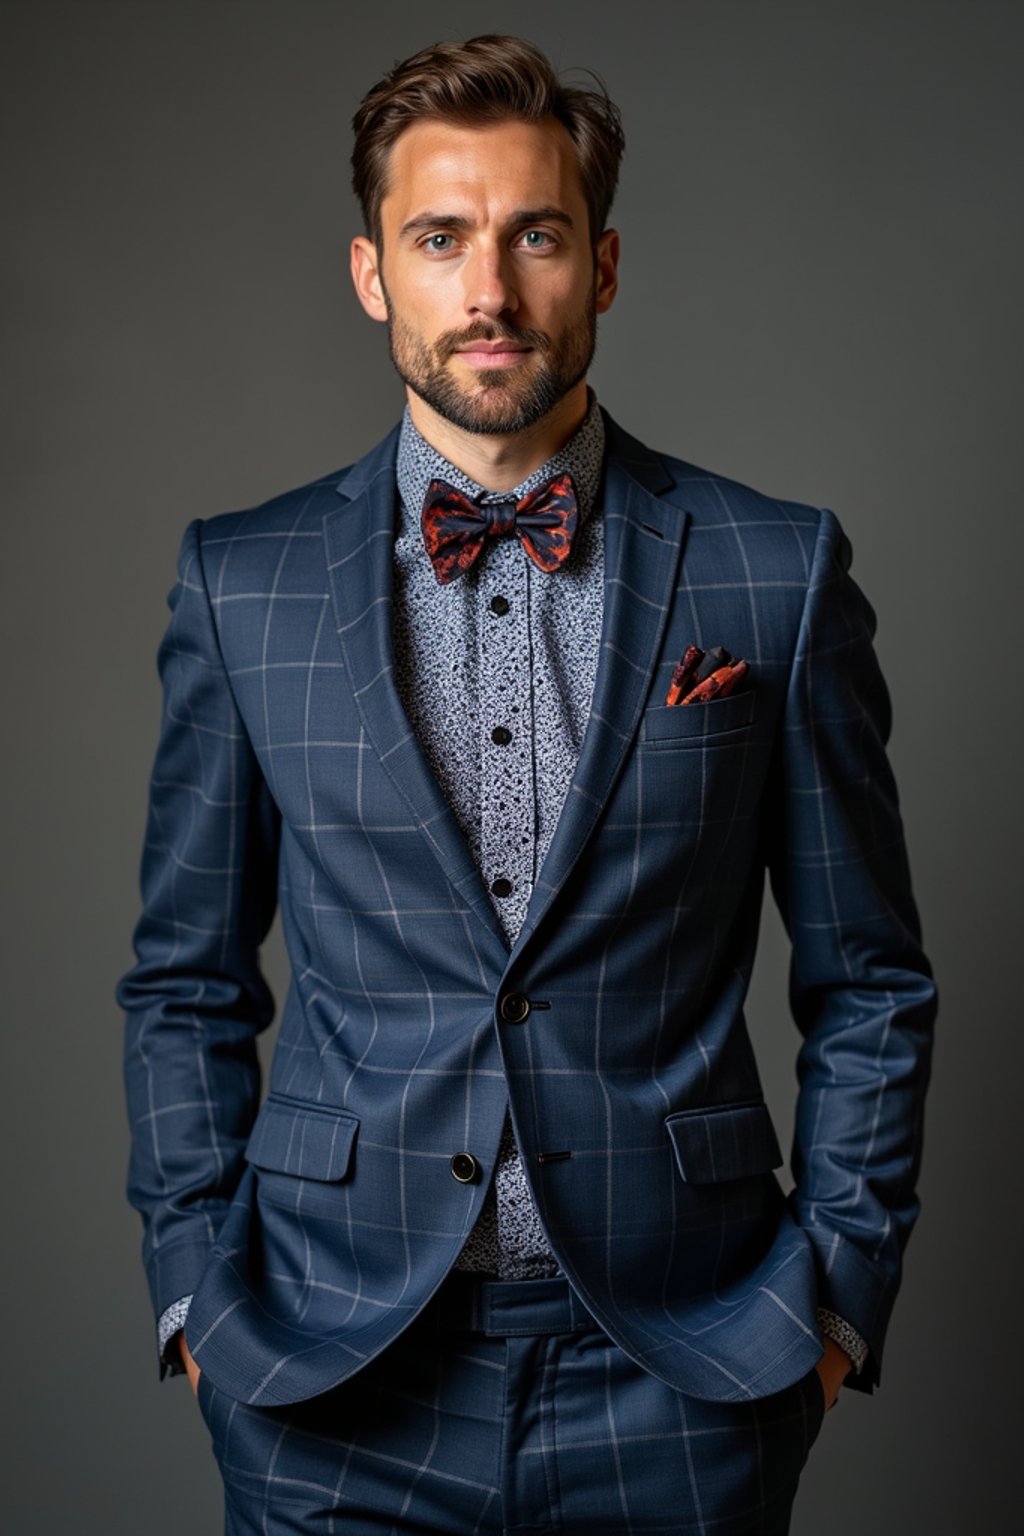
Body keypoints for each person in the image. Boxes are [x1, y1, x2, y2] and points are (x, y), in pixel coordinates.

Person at [119, 33, 936, 1535]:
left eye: (534, 236)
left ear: (603, 265)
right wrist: (194, 1302)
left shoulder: (775, 569)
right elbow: (183, 978)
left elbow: (872, 979)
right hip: (327, 1378)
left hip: (683, 1376)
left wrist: (832, 1310)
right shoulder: (243, 585)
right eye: (440, 239)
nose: (488, 291)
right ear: (373, 273)